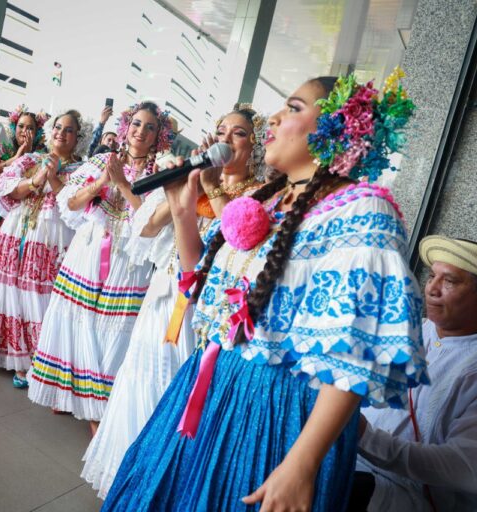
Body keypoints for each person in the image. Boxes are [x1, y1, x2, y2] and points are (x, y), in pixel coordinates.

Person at [103, 71, 427, 511]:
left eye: (293, 108)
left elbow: (355, 351)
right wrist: (182, 212)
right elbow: (202, 286)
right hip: (213, 381)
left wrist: (302, 462)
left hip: (276, 410)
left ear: (339, 127)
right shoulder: (267, 202)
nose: (273, 118)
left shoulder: (362, 211)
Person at [82, 106, 267, 498]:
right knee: (139, 378)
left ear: (255, 146)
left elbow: (239, 240)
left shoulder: (258, 195)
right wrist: (187, 186)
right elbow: (146, 227)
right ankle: (124, 477)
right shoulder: (196, 179)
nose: (227, 139)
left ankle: (158, 484)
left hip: (205, 310)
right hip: (162, 296)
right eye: (221, 130)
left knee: (175, 393)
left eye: (239, 133)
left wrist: (214, 188)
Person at [27, 101, 176, 435]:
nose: (140, 132)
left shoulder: (159, 174)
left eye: (149, 127)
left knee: (112, 335)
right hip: (89, 251)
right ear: (126, 127)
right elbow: (70, 202)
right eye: (136, 124)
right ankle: (76, 395)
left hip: (128, 262)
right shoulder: (99, 160)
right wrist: (101, 183)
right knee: (80, 327)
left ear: (158, 136)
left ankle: (100, 409)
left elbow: (151, 224)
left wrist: (123, 183)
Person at [0, 109, 93, 387]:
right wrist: (34, 180)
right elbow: (6, 190)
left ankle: (31, 362)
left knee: (40, 293)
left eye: (69, 130)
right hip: (18, 231)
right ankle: (1, 350)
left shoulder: (82, 170)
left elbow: (78, 205)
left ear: (79, 138)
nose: (61, 133)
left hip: (54, 239)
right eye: (57, 127)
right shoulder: (30, 159)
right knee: (8, 288)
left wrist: (52, 179)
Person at [352, 235, 477, 512]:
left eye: (449, 281)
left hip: (398, 493)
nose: (432, 289)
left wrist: (363, 436)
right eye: (431, 276)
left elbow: (467, 469)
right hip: (347, 456)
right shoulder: (409, 328)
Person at [0, 105, 49, 257]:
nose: (25, 131)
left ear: (37, 132)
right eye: (21, 126)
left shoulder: (41, 155)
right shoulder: (3, 148)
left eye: (30, 128)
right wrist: (16, 158)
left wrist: (29, 155)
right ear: (14, 126)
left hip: (19, 212)